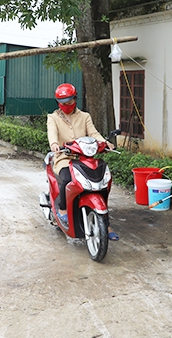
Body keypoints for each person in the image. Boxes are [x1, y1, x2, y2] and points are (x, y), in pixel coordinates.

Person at [47, 83, 118, 240]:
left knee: (101, 183)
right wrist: (54, 144)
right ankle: (63, 209)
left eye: (70, 102)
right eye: (63, 103)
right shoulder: (52, 118)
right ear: (58, 103)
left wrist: (105, 143)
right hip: (64, 158)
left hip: (85, 158)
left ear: (75, 99)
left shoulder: (84, 116)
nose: (67, 105)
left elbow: (93, 133)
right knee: (67, 178)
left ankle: (105, 222)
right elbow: (52, 133)